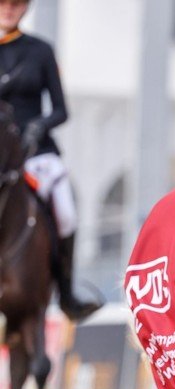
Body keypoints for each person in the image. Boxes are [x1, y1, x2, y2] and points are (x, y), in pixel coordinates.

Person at [0, 0, 101, 320]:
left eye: (16, 4)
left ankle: (67, 292)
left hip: (35, 153)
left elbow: (61, 109)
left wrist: (39, 125)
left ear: (25, 8)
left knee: (66, 211)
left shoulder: (40, 51)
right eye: (4, 3)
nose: (9, 9)